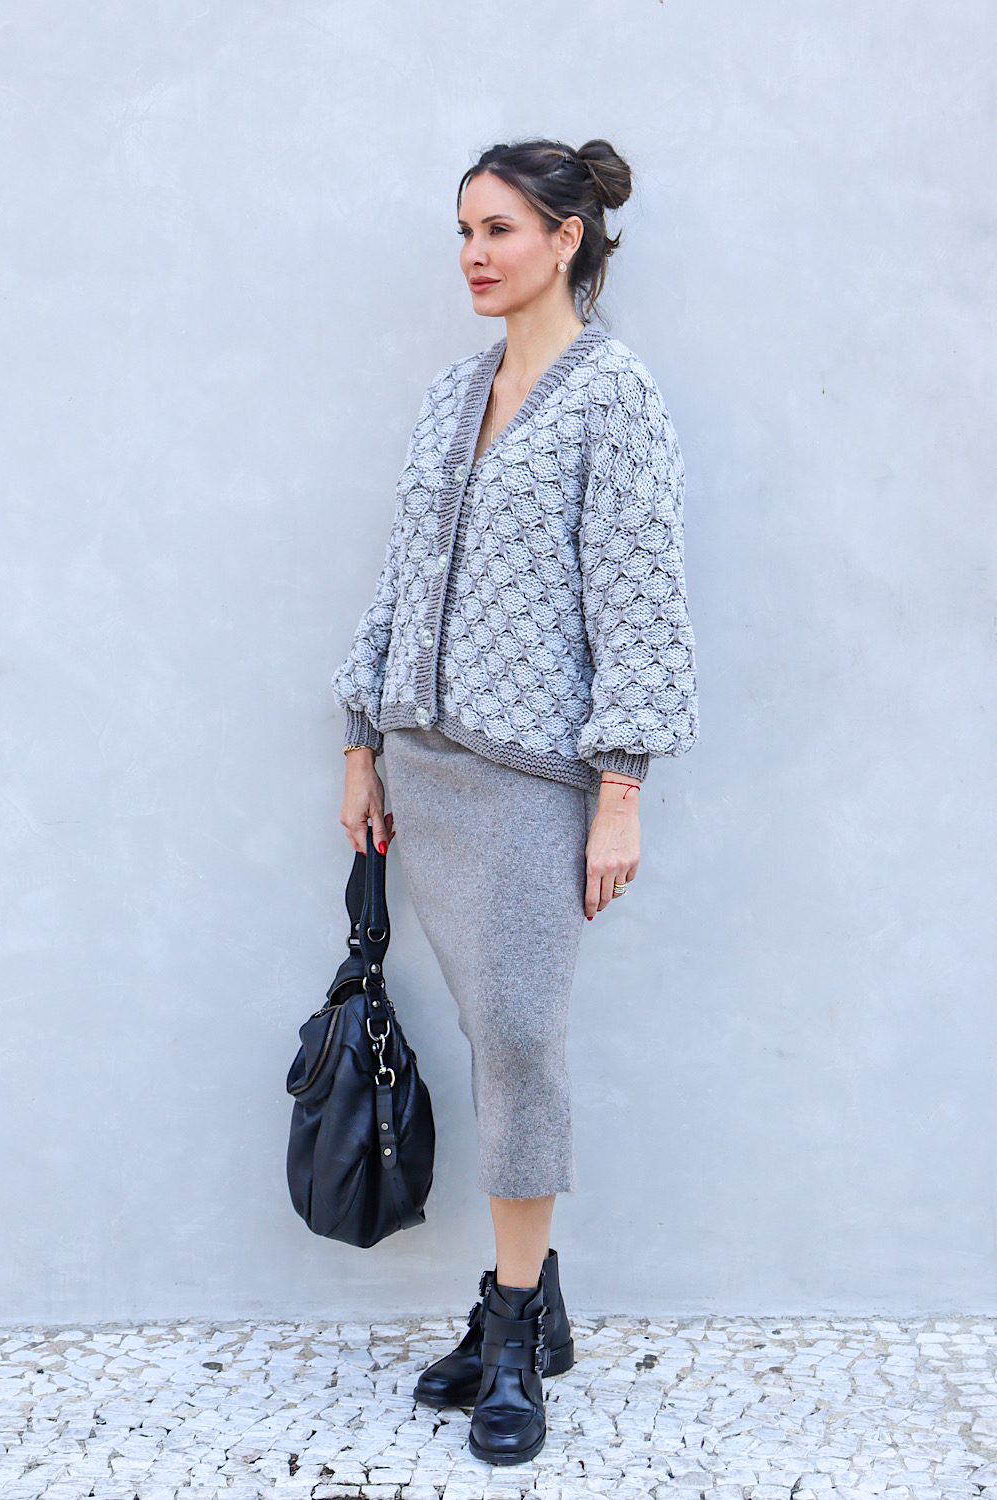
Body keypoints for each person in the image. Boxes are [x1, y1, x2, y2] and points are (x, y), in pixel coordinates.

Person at [331, 138, 698, 1466]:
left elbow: (641, 599)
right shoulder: (456, 389)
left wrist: (622, 789)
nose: (474, 255)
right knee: (495, 1040)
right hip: (423, 772)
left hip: (536, 781)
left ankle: (511, 1328)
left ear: (568, 238)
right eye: (464, 231)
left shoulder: (616, 396)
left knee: (524, 1042)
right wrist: (362, 741)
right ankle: (530, 1306)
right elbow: (400, 570)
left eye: (499, 229)